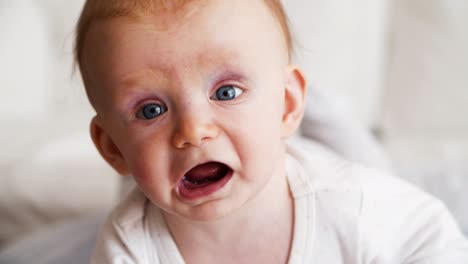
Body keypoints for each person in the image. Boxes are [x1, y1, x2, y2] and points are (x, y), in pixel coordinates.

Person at [74, 0, 468, 263]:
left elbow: (433, 240)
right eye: (151, 109)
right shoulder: (129, 245)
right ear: (112, 149)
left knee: (365, 156)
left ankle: (318, 109)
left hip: (328, 160)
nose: (193, 130)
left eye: (226, 92)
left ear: (287, 104)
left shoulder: (357, 207)